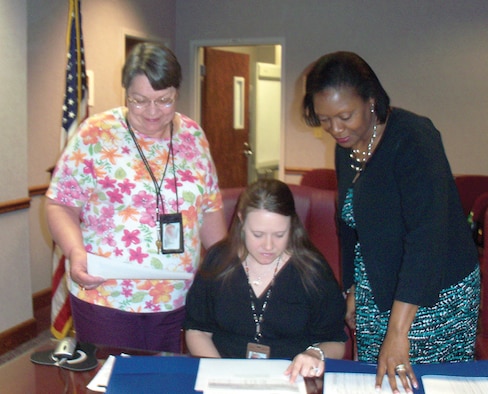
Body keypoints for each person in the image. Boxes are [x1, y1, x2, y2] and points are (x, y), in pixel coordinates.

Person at [302, 51, 480, 393]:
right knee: (381, 383)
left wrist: (399, 331)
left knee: (422, 382)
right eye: (324, 119)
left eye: (345, 115)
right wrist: (352, 288)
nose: (335, 129)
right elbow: (350, 225)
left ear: (371, 100)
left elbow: (427, 238)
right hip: (377, 287)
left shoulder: (414, 138)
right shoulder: (347, 147)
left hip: (434, 293)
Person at [46, 42, 227, 353]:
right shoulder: (96, 134)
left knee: (165, 382)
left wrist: (226, 267)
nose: (153, 112)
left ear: (177, 94)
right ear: (125, 94)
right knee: (112, 381)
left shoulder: (193, 137)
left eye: (164, 101)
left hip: (175, 296)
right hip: (105, 295)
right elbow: (60, 204)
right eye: (140, 101)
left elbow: (209, 207)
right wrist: (75, 252)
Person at [184, 179, 347, 382]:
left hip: (290, 380)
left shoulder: (312, 270)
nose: (268, 246)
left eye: (279, 234)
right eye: (258, 234)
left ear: (292, 225)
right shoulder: (219, 261)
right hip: (224, 377)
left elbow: (335, 341)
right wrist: (221, 373)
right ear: (241, 221)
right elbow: (197, 330)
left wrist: (315, 354)